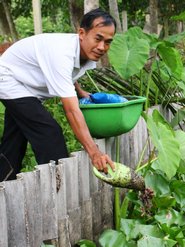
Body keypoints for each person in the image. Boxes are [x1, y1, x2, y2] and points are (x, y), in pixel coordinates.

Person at [0, 8, 116, 181]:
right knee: (49, 132)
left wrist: (79, 90)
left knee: (14, 141)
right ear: (82, 33)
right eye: (98, 38)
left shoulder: (85, 54)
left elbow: (68, 73)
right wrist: (94, 152)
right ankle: (55, 186)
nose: (102, 47)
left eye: (107, 42)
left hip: (26, 83)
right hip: (9, 78)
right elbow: (71, 110)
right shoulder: (63, 53)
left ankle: (3, 182)